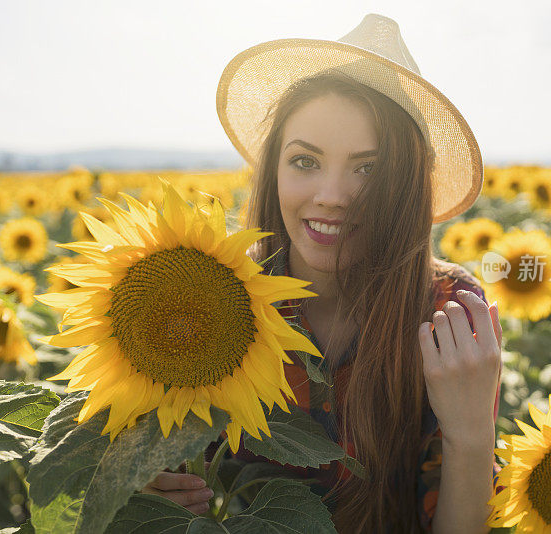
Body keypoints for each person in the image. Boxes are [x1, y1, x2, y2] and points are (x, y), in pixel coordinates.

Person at [142, 13, 503, 534]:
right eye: (305, 162)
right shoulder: (216, 296)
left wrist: (470, 437)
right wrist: (153, 486)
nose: (331, 197)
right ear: (274, 170)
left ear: (405, 186)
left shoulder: (447, 314)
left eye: (368, 168)